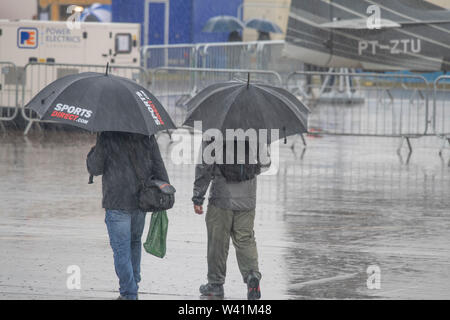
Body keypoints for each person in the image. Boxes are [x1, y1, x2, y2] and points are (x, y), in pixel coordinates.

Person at [87, 131, 169, 300]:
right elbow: (158, 164)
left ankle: (129, 293)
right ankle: (133, 285)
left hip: (116, 201)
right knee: (133, 243)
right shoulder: (146, 135)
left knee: (121, 249)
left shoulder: (107, 135)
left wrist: (94, 149)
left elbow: (95, 168)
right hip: (141, 200)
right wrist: (165, 192)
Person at [192, 138, 262, 300]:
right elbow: (264, 163)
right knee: (245, 239)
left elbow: (205, 165)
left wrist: (198, 196)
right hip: (248, 198)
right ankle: (252, 275)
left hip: (222, 197)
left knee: (218, 241)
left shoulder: (214, 127)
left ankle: (215, 284)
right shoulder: (256, 128)